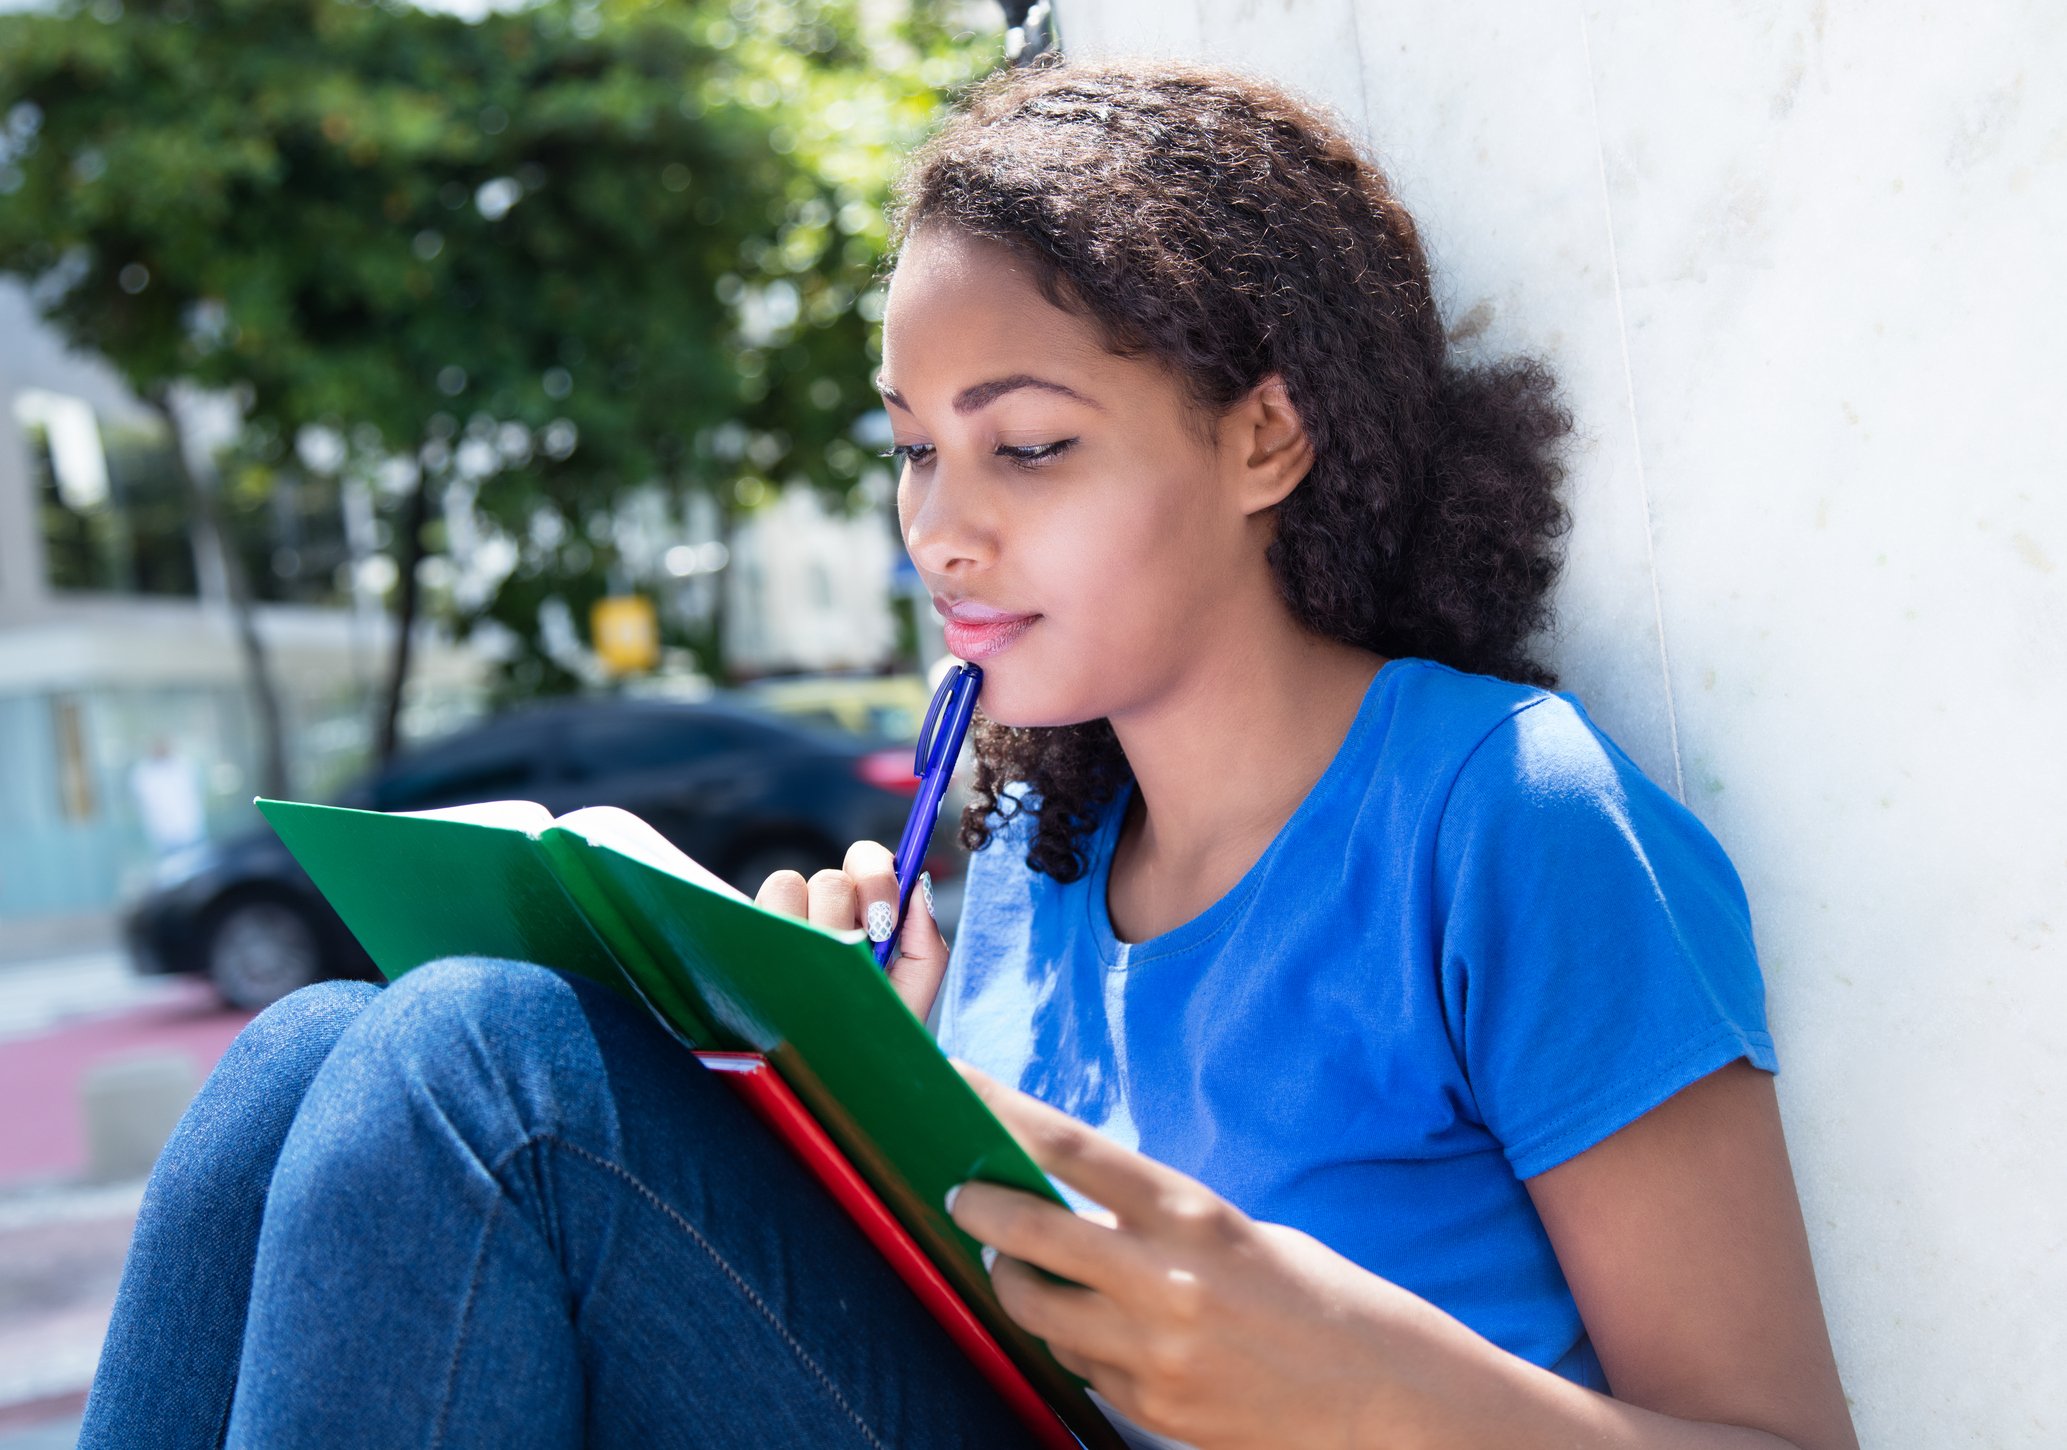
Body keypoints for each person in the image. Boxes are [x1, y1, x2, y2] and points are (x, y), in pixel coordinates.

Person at [80, 58, 1858, 1450]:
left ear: (1266, 435)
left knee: (495, 1062)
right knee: (301, 1055)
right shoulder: (1026, 868)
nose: (938, 529)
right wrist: (862, 1068)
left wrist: (1366, 1380)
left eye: (1027, 448)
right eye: (914, 448)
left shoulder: (1504, 813)